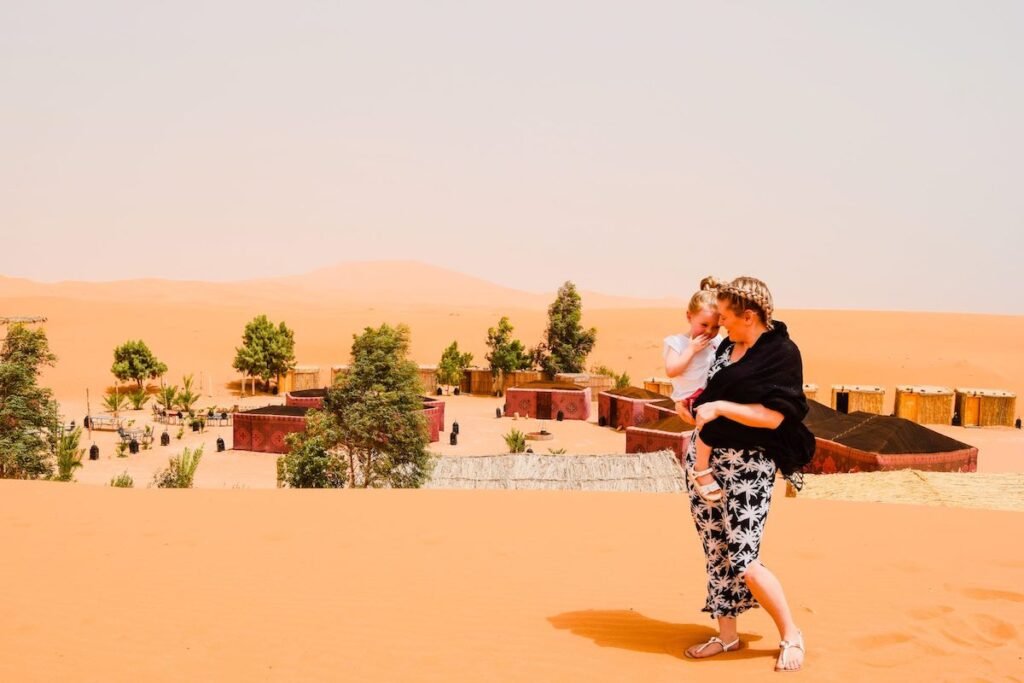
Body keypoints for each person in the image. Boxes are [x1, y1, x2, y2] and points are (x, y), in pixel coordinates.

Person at [681, 276, 815, 673]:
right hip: (706, 463)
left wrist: (720, 407)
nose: (720, 324)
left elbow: (775, 417)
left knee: (745, 558)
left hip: (750, 467)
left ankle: (791, 633)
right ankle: (727, 636)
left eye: (725, 316)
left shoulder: (782, 354)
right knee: (717, 551)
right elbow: (706, 395)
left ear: (750, 316)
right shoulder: (725, 346)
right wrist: (694, 411)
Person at [663, 281, 723, 501]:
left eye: (715, 326)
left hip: (708, 395)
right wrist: (691, 350)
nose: (709, 331)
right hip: (690, 398)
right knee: (709, 426)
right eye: (704, 324)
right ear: (689, 316)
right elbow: (671, 370)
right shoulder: (677, 343)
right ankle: (701, 468)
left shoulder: (718, 342)